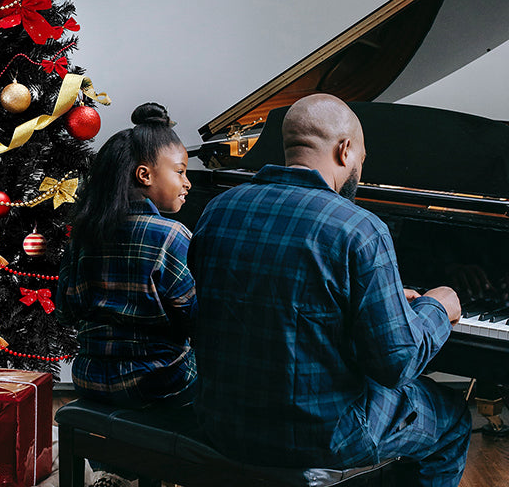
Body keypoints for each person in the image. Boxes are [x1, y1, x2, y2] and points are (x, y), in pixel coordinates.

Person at [188, 93, 470, 487]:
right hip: (323, 437)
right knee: (453, 417)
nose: (359, 171)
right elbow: (397, 365)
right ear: (345, 149)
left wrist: (378, 301)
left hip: (221, 421)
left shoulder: (218, 210)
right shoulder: (359, 228)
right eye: (361, 161)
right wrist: (435, 306)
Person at [56, 102, 196, 408]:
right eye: (180, 171)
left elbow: (66, 308)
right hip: (158, 383)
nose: (188, 182)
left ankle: (111, 453)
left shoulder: (84, 234)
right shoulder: (170, 236)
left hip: (88, 379)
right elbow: (197, 317)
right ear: (144, 175)